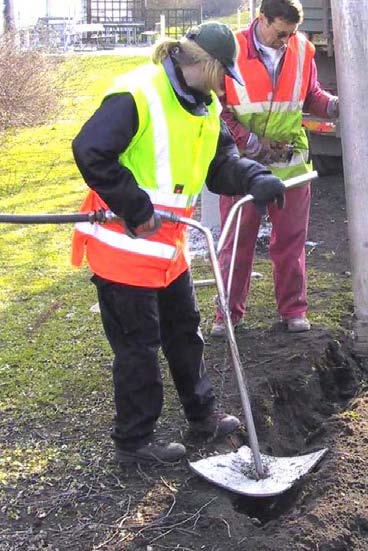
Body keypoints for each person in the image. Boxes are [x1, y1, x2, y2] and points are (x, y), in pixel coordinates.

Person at [70, 22, 285, 466]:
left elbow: (220, 162)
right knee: (139, 348)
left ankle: (202, 414)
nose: (225, 82)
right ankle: (134, 443)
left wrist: (254, 176)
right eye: (223, 72)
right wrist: (134, 205)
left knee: (185, 333)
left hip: (169, 253)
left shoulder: (205, 107)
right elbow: (90, 149)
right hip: (125, 252)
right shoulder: (138, 93)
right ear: (204, 65)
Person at [211, 0, 339, 337]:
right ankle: (228, 315)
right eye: (280, 33)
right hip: (241, 166)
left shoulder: (303, 48)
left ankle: (294, 311)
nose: (286, 41)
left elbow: (309, 94)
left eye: (291, 34)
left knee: (291, 243)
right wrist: (251, 142)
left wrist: (335, 105)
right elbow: (217, 108)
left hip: (291, 164)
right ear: (262, 19)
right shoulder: (231, 48)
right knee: (237, 243)